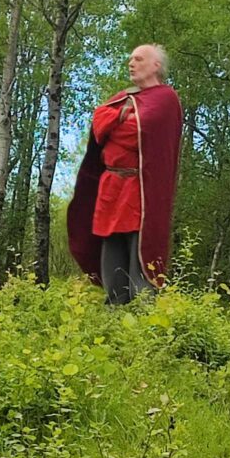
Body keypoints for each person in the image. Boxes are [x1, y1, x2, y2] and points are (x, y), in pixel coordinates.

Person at [67, 44, 183, 305]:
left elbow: (137, 131)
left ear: (155, 66)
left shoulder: (165, 99)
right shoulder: (123, 98)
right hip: (112, 189)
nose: (131, 63)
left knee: (140, 250)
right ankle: (115, 310)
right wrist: (120, 115)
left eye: (138, 59)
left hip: (141, 191)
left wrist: (117, 124)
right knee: (112, 249)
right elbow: (99, 123)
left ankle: (142, 312)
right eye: (130, 58)